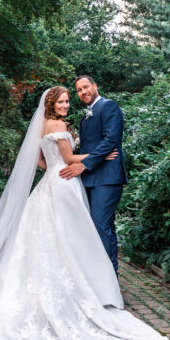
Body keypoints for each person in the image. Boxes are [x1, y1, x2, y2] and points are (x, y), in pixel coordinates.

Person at [0, 86, 169, 340]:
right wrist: (96, 157)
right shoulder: (57, 124)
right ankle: (89, 288)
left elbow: (40, 160)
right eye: (63, 101)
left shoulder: (44, 125)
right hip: (64, 185)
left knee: (52, 239)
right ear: (51, 104)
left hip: (51, 183)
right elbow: (68, 160)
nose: (67, 104)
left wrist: (53, 165)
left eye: (69, 100)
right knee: (73, 237)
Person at [59, 75, 126, 273]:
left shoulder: (108, 106)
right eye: (79, 90)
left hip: (107, 177)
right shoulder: (87, 114)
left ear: (95, 86)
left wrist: (84, 165)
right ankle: (101, 278)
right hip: (90, 179)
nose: (83, 92)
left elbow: (110, 140)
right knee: (95, 228)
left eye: (86, 87)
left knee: (101, 226)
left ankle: (109, 279)